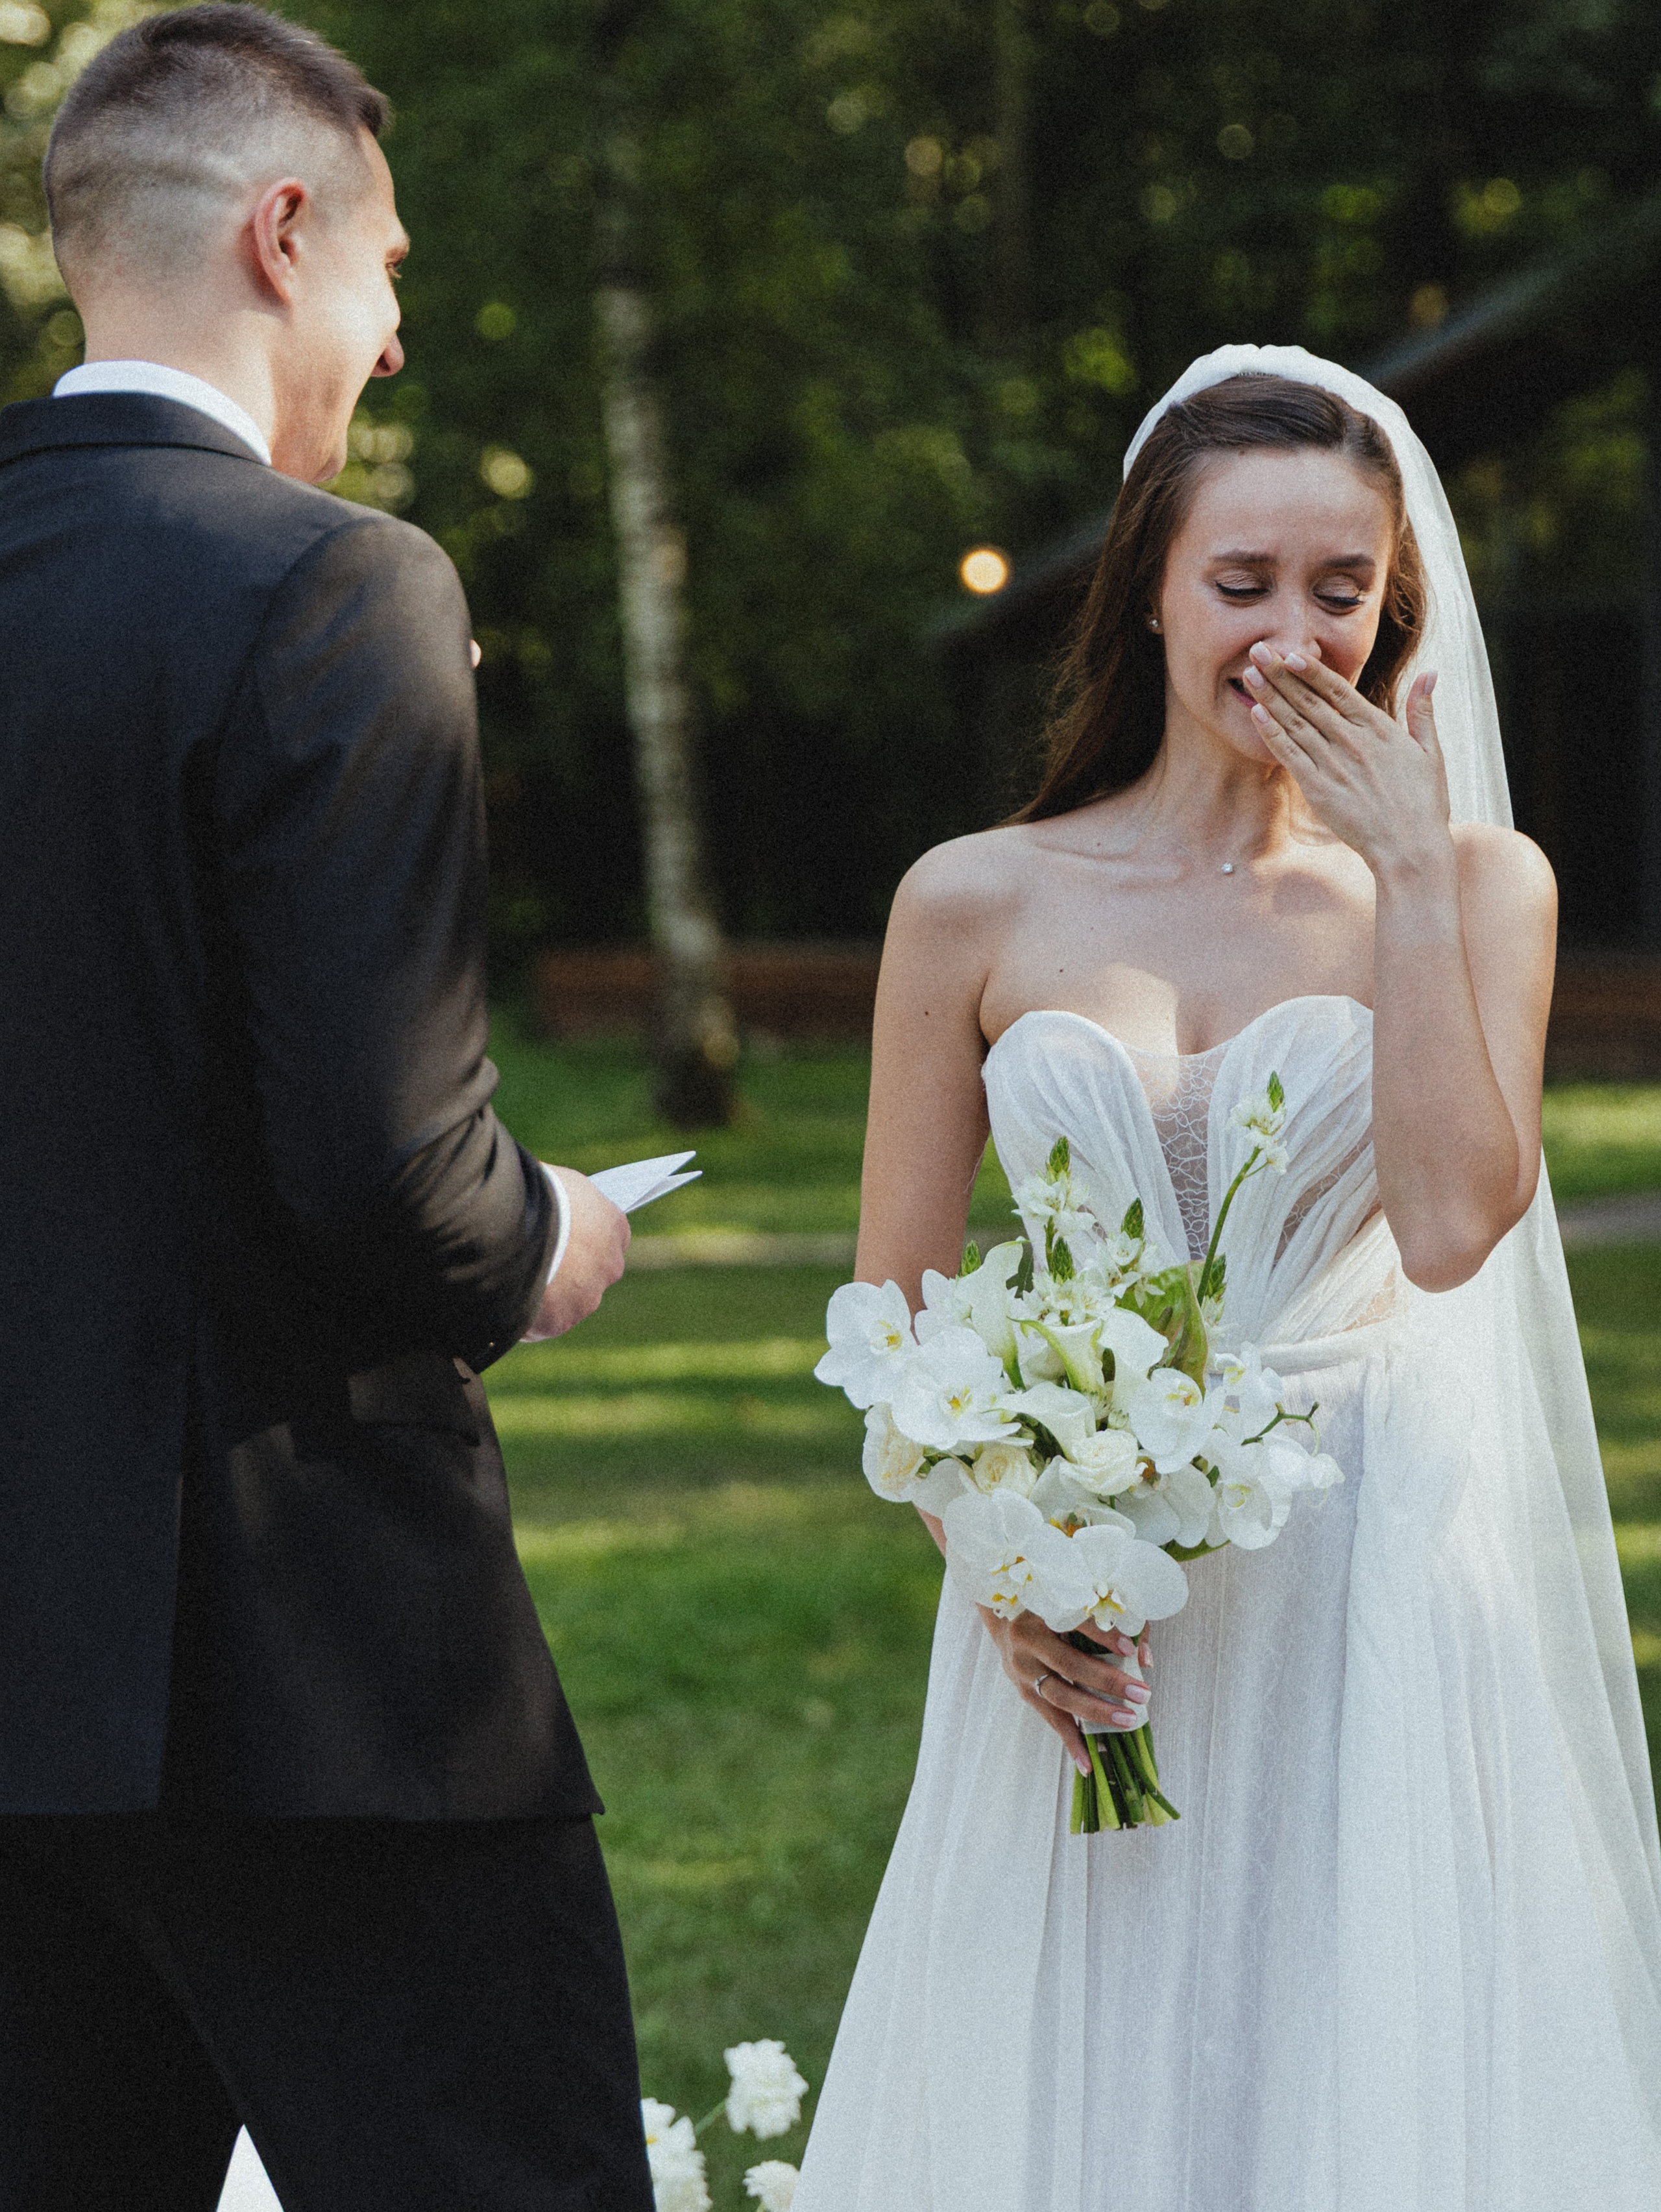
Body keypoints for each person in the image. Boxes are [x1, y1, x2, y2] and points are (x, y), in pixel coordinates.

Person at [794, 347, 1661, 2209]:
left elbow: (1448, 1223)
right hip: (1090, 1616)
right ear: (1150, 592)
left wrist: (1412, 873)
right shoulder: (975, 896)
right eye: (1242, 583)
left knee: (1355, 2073)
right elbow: (901, 1315)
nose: (1294, 633)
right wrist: (1010, 1568)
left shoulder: (1482, 884)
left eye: (1341, 590)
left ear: (1397, 608)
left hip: (1374, 1573)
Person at [0, 8, 654, 2209]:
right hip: (316, 1686)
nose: (391, 347)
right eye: (390, 274)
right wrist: (547, 1234)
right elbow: (393, 1173)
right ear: (282, 237)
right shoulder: (333, 585)